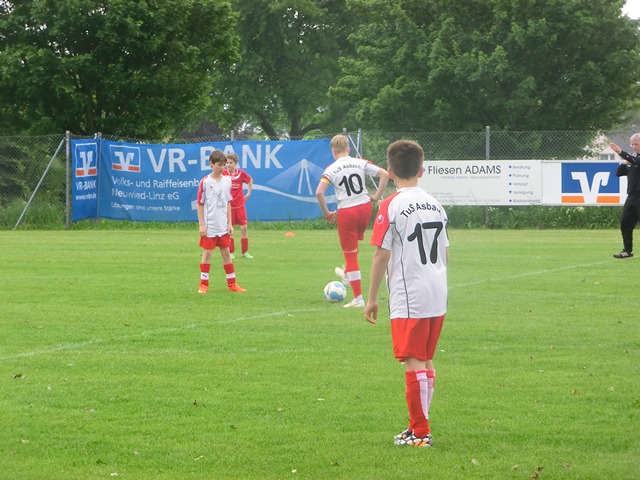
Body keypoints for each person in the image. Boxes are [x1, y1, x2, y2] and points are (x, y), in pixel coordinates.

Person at [364, 140, 449, 448]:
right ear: (421, 170)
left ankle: (421, 432)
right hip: (437, 290)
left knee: (413, 361)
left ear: (389, 170)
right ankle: (416, 427)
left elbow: (381, 254)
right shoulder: (436, 204)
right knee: (425, 359)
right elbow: (446, 252)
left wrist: (372, 298)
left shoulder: (391, 205)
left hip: (410, 291)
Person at [315, 134, 390, 308]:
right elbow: (385, 174)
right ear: (348, 149)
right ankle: (349, 273)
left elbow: (319, 192)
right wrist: (376, 196)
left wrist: (327, 213)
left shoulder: (331, 169)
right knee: (353, 246)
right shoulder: (359, 162)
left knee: (350, 254)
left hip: (347, 211)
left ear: (334, 152)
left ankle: (358, 299)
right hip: (365, 208)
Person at [196, 149, 247, 294]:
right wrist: (202, 225)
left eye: (224, 164)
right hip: (210, 226)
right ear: (211, 164)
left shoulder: (227, 181)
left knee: (226, 252)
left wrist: (229, 223)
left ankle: (232, 284)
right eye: (219, 164)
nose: (222, 167)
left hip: (223, 225)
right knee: (207, 253)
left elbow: (228, 202)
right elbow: (200, 203)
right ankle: (203, 284)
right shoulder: (205, 182)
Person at [610, 134, 640, 259]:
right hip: (631, 196)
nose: (634, 146)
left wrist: (620, 152)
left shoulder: (635, 159)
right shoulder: (632, 158)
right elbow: (619, 173)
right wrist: (624, 162)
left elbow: (635, 161)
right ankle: (628, 251)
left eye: (636, 144)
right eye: (632, 144)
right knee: (625, 224)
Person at [223, 152, 254, 259]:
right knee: (230, 230)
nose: (228, 165)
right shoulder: (224, 174)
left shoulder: (241, 173)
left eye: (231, 163)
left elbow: (250, 180)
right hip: (229, 207)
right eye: (227, 163)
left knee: (244, 228)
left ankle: (245, 252)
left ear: (236, 163)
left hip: (240, 206)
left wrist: (248, 193)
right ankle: (231, 252)